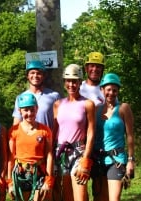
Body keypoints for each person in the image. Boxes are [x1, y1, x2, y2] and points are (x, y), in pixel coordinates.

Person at [53, 64, 95, 201]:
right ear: (64, 82)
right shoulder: (58, 104)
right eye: (68, 81)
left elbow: (91, 132)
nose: (71, 84)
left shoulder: (87, 104)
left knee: (80, 197)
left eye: (74, 81)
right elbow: (54, 131)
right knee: (66, 197)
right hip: (61, 152)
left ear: (79, 82)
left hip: (78, 152)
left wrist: (86, 158)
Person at [91, 73, 135, 201]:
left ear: (118, 91)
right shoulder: (97, 109)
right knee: (99, 198)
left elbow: (130, 136)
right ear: (102, 90)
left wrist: (131, 160)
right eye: (108, 89)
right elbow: (92, 134)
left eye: (114, 90)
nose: (111, 93)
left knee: (114, 199)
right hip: (99, 159)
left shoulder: (123, 108)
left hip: (116, 160)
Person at [7, 93, 54, 201]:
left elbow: (49, 156)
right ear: (20, 111)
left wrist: (48, 179)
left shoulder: (44, 130)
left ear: (37, 109)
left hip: (39, 173)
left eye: (32, 110)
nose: (29, 113)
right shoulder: (14, 131)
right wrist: (9, 182)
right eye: (26, 110)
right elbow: (11, 157)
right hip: (20, 174)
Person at [12, 60, 60, 130]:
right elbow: (17, 123)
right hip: (28, 139)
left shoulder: (54, 96)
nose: (35, 76)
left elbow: (60, 122)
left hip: (48, 139)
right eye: (32, 73)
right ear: (27, 76)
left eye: (39, 73)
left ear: (43, 76)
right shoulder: (20, 97)